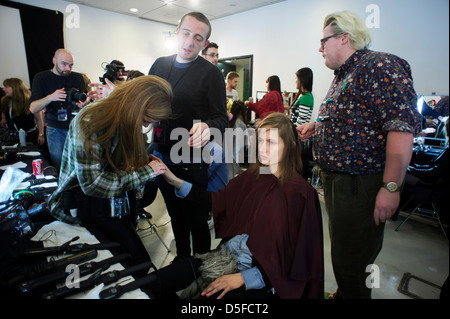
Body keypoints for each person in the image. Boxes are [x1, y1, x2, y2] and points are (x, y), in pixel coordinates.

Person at [297, 11, 422, 299]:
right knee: (344, 257)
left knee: (353, 264)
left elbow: (401, 130)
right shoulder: (345, 74)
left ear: (344, 37)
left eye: (323, 41)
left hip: (360, 184)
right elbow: (356, 118)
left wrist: (390, 187)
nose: (320, 48)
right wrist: (318, 126)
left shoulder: (379, 66)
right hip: (341, 183)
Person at [145, 112, 324, 299]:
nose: (262, 148)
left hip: (262, 276)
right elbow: (214, 200)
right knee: (154, 283)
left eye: (271, 142)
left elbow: (299, 258)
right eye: (260, 141)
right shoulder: (255, 176)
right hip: (224, 256)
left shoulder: (301, 194)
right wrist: (174, 180)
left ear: (290, 146)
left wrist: (244, 278)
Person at [47, 75, 173, 269]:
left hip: (112, 203)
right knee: (135, 264)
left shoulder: (123, 115)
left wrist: (142, 164)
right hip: (87, 205)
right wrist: (146, 173)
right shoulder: (91, 122)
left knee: (137, 261)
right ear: (135, 106)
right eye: (145, 120)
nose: (145, 126)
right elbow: (93, 184)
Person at [148, 12, 228, 260]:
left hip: (192, 158)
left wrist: (208, 127)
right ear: (177, 31)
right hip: (160, 153)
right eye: (186, 33)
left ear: (204, 43)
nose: (189, 41)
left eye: (198, 38)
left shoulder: (211, 74)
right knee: (175, 215)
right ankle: (182, 261)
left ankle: (203, 266)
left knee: (195, 218)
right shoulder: (159, 65)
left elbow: (221, 119)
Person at [29, 49, 88, 171]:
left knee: (80, 165)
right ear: (54, 61)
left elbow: (85, 100)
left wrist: (84, 103)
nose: (68, 68)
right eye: (64, 64)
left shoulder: (78, 78)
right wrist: (51, 97)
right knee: (60, 166)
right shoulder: (41, 78)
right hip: (55, 129)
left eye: (71, 65)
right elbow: (33, 107)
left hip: (76, 128)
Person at [1, 78, 45, 146]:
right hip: (13, 137)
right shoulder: (5, 101)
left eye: (6, 87)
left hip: (30, 136)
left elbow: (39, 119)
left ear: (15, 88)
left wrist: (41, 135)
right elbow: (4, 112)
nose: (3, 89)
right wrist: (3, 118)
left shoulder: (30, 101)